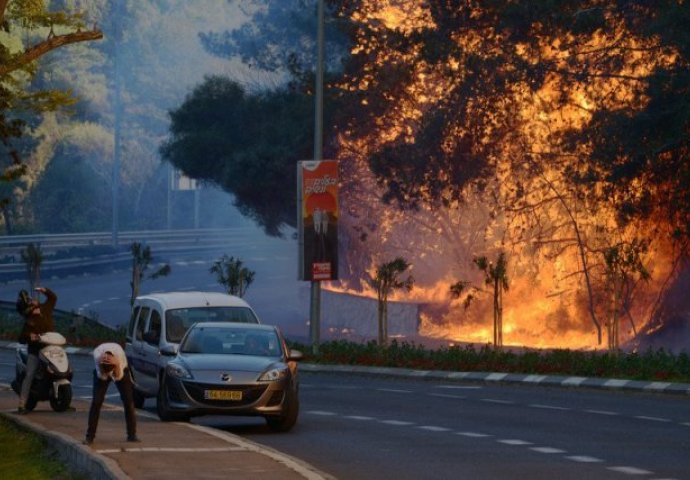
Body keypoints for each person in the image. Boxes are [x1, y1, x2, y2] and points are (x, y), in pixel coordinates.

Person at [84, 342, 139, 445]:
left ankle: (132, 434)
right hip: (102, 368)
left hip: (119, 367)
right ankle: (89, 436)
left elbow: (118, 377)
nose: (110, 375)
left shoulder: (120, 356)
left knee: (128, 400)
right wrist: (102, 369)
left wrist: (116, 365)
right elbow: (101, 376)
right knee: (96, 402)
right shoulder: (97, 355)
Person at [16, 287, 57, 414]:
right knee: (30, 374)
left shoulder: (46, 309)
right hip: (35, 351)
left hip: (51, 348)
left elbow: (53, 298)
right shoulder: (29, 322)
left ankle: (62, 400)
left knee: (60, 369)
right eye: (30, 302)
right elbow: (22, 338)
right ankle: (22, 404)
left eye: (33, 300)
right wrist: (30, 337)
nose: (33, 301)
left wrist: (45, 290)